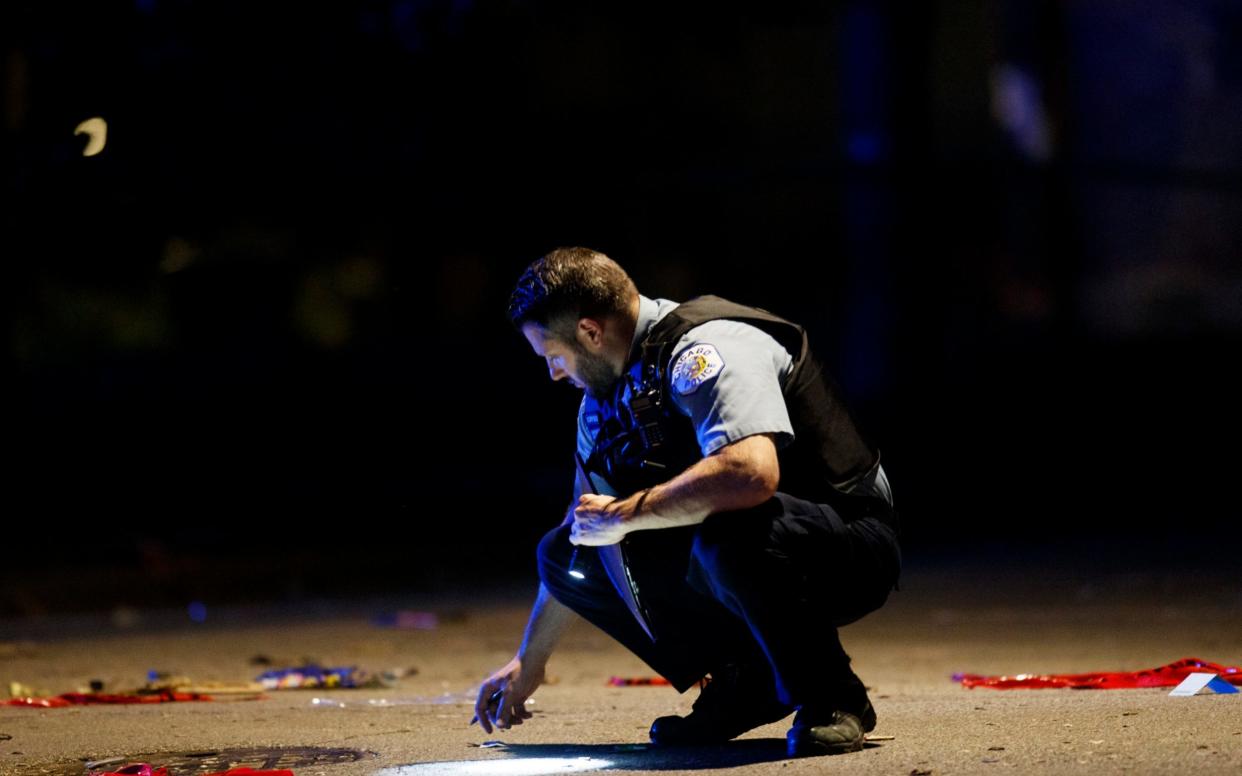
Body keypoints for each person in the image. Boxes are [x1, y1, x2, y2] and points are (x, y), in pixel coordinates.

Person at [473, 246, 901, 757]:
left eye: (554, 356)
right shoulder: (599, 405)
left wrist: (627, 513)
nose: (554, 375)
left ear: (590, 332)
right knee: (566, 550)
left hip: (847, 541)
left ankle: (833, 698)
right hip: (745, 545)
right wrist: (530, 659)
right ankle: (751, 679)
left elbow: (750, 475)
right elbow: (587, 529)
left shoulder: (707, 348)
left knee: (730, 534)